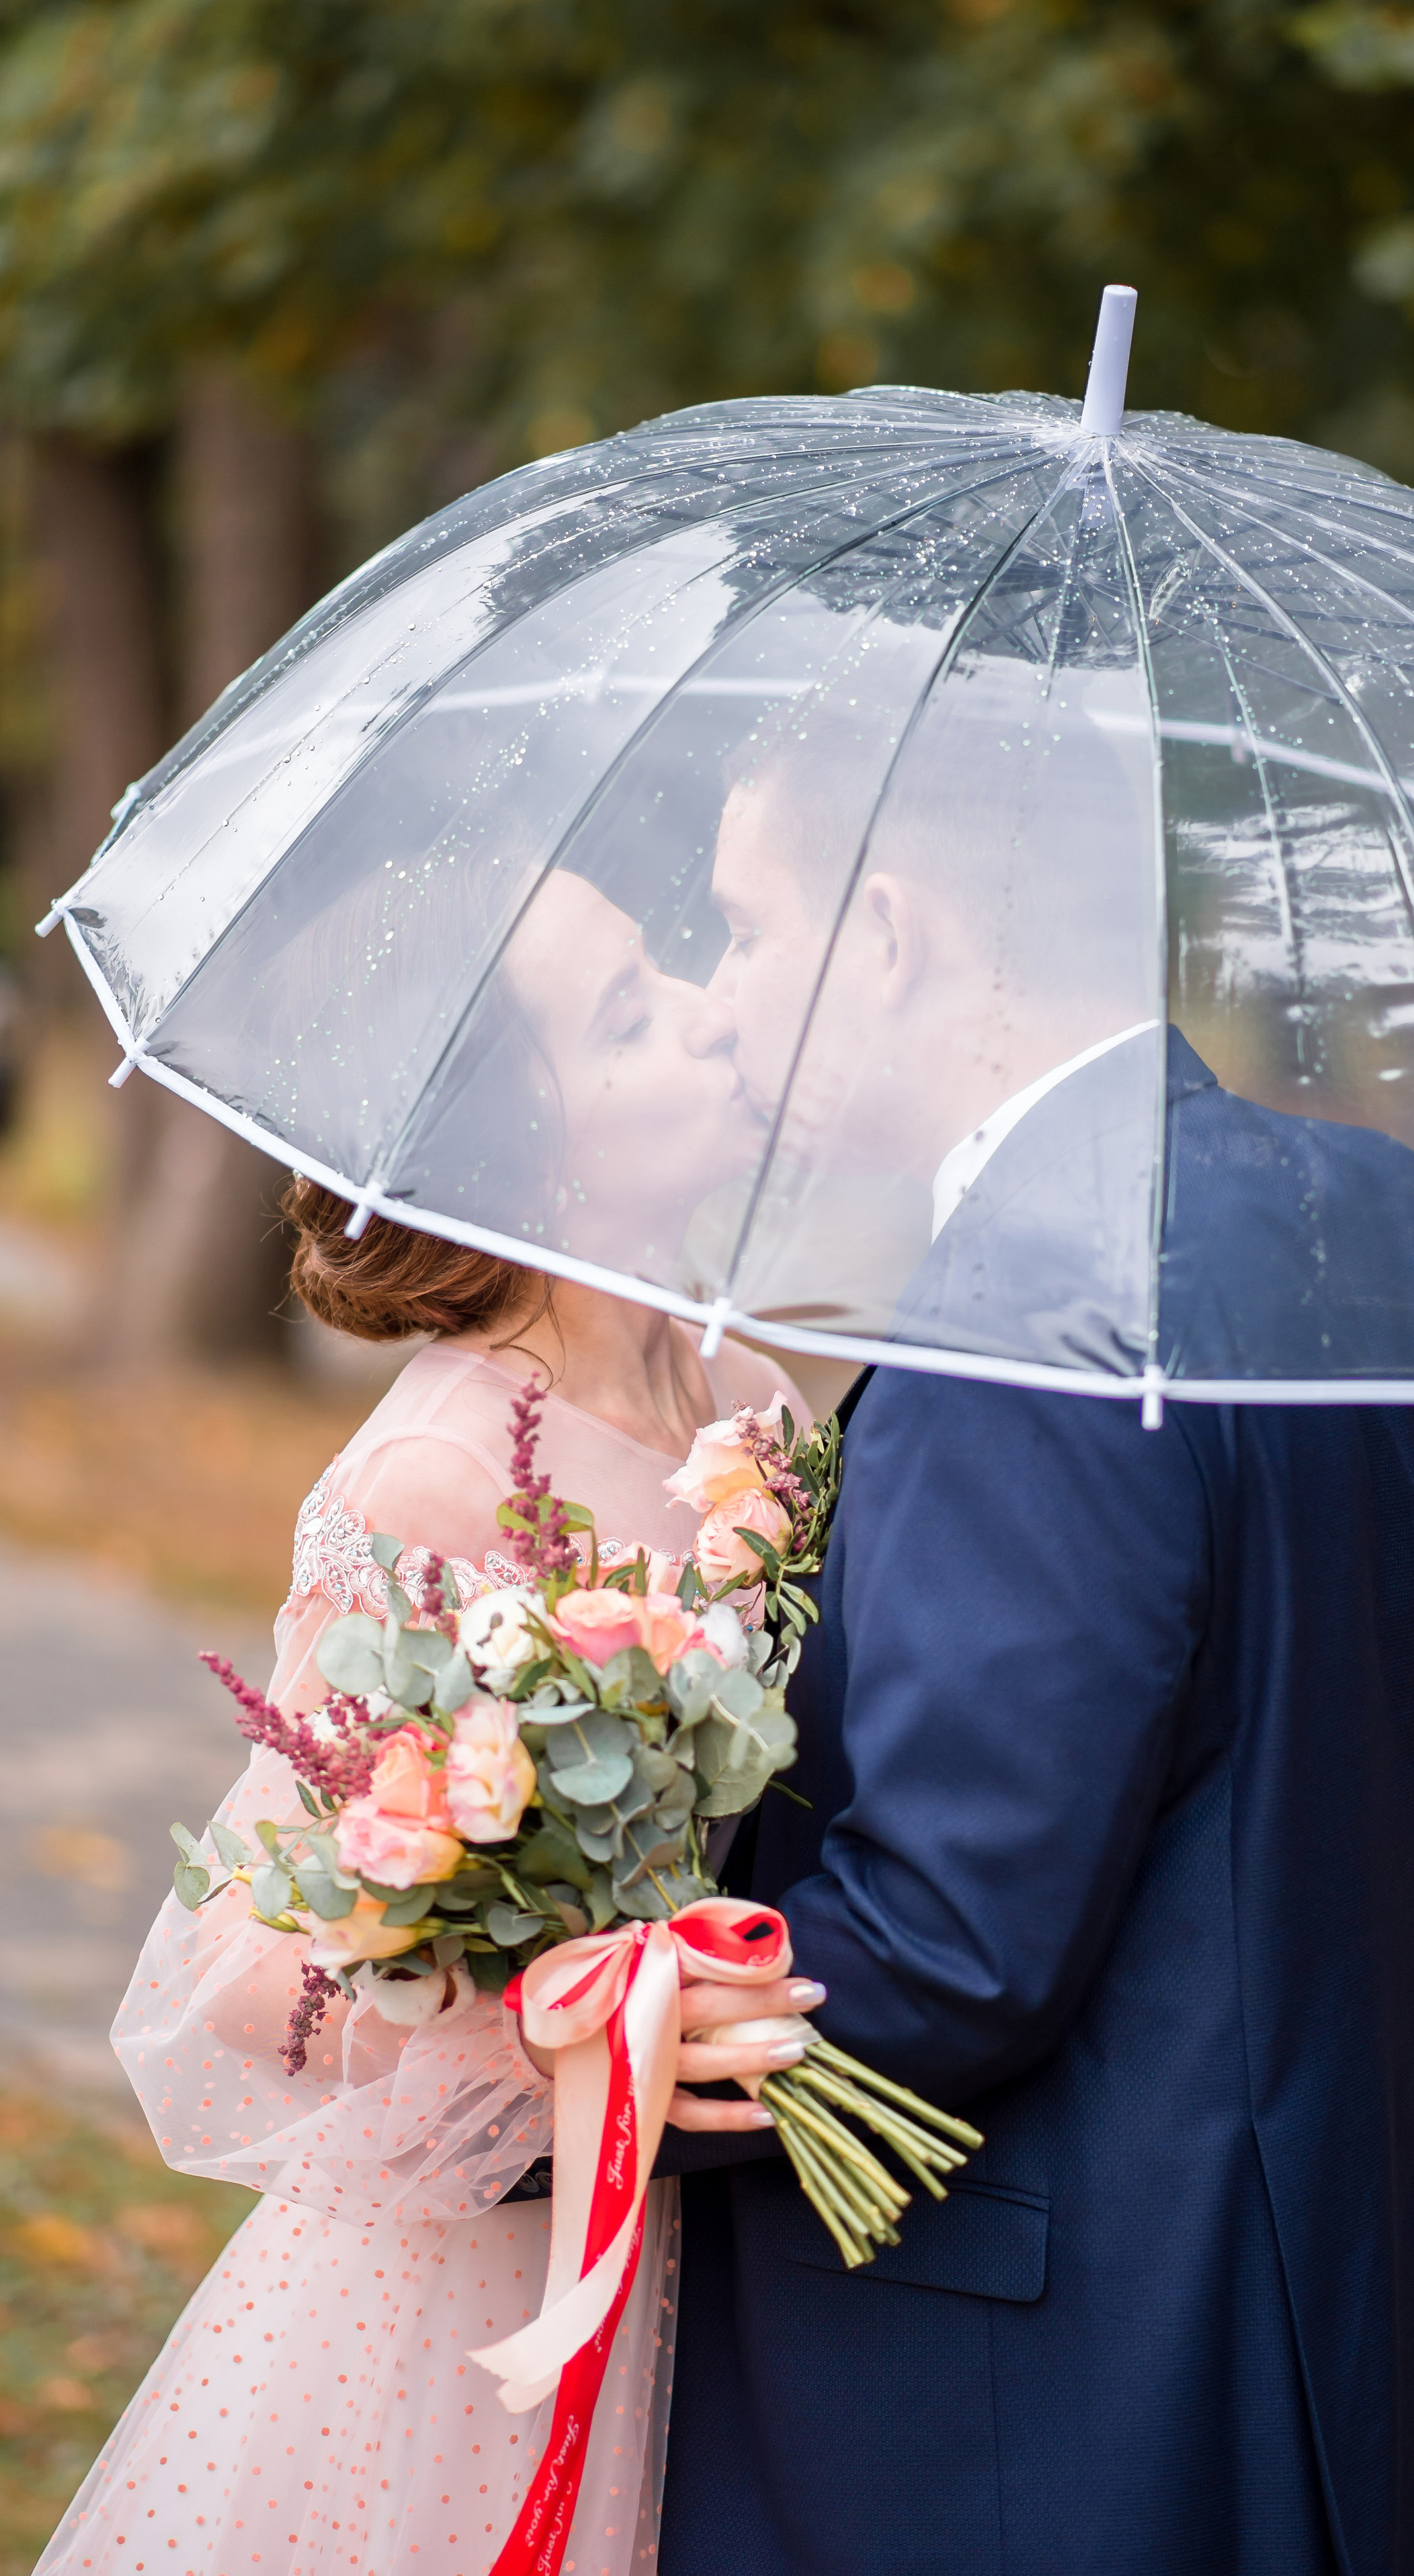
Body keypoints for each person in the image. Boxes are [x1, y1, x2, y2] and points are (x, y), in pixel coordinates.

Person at [649, 746, 1414, 2576]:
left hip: (1052, 2397)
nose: (729, 994)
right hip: (1333, 2299)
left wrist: (557, 2055)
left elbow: (953, 1949)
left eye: (752, 928)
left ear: (898, 936)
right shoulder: (1386, 1213)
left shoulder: (1027, 1317)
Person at [36, 879, 810, 2576]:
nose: (701, 1005)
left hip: (735, 2253)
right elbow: (248, 1958)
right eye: (624, 1013)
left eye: (667, 963)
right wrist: (544, 2018)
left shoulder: (754, 1399)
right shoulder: (443, 1475)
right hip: (471, 2299)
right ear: (522, 1155)